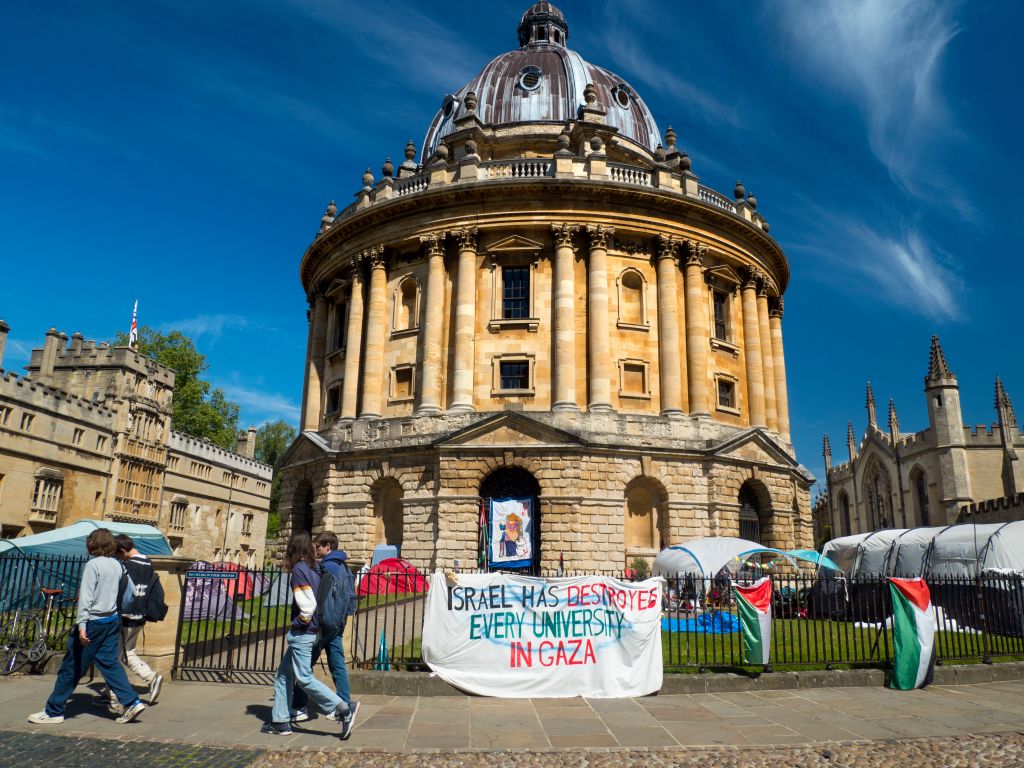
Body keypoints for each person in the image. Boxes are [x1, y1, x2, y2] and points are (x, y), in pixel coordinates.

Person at [27, 528, 146, 725]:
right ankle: (132, 701)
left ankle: (53, 710)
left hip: (93, 622)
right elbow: (131, 591)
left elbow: (86, 599)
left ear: (94, 543)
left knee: (71, 666)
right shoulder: (118, 564)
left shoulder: (93, 565)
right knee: (109, 663)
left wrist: (82, 625)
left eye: (89, 541)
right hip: (111, 620)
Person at [262, 531, 359, 739]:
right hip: (315, 630)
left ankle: (343, 708)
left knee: (304, 677)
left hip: (303, 632)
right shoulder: (314, 568)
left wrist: (300, 623)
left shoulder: (299, 569)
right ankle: (281, 722)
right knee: (283, 675)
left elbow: (308, 605)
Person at [291, 531, 354, 723]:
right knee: (337, 663)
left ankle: (299, 706)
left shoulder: (326, 567)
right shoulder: (344, 566)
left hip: (324, 624)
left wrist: (315, 622)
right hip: (338, 622)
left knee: (305, 666)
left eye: (319, 545)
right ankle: (345, 701)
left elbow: (319, 598)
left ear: (329, 547)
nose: (316, 548)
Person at [100, 535, 163, 709]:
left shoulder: (127, 566)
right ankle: (111, 692)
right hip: (140, 615)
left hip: (126, 616)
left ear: (122, 551)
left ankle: (114, 695)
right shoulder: (147, 564)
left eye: (118, 554)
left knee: (112, 657)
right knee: (127, 653)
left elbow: (120, 591)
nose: (118, 558)